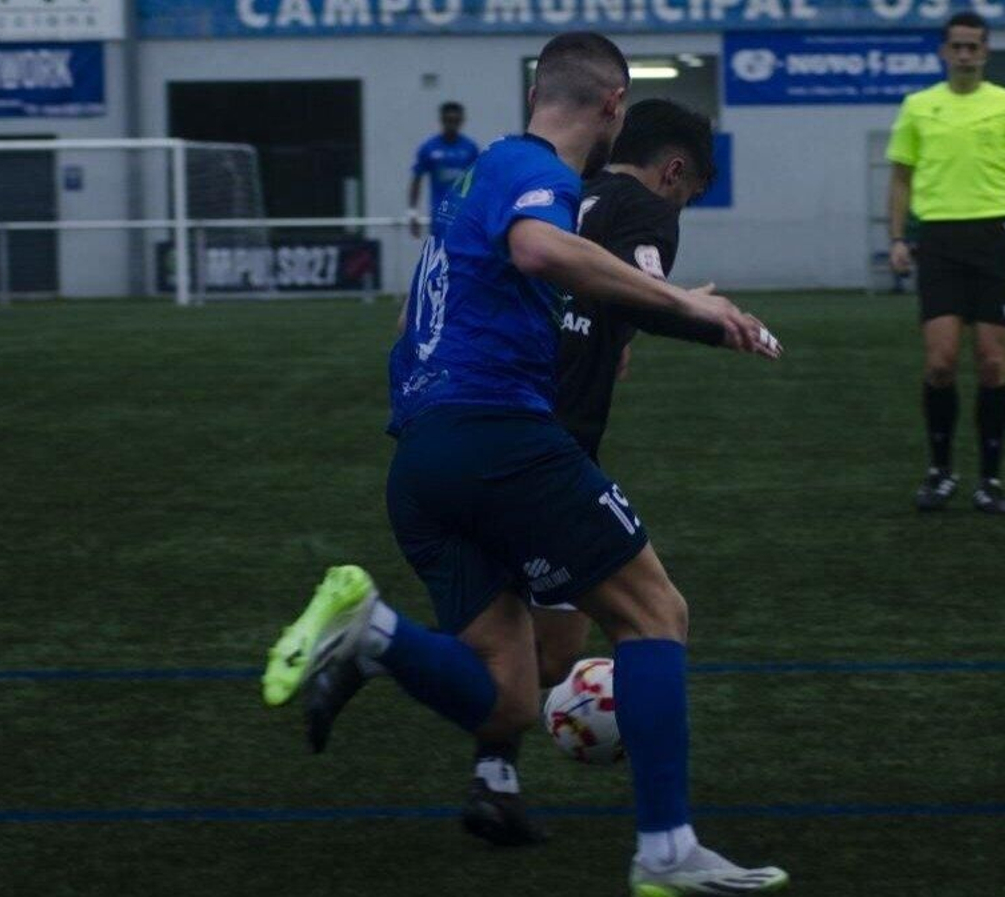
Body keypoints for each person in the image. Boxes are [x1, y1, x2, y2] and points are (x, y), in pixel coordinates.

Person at [264, 33, 789, 896]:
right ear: (614, 106)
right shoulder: (533, 167)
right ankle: (665, 850)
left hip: (423, 461)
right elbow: (544, 251)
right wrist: (686, 302)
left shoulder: (472, 185)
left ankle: (371, 631)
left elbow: (413, 321)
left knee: (509, 696)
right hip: (499, 438)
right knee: (656, 612)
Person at [886, 11, 1005, 516]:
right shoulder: (918, 106)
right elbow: (900, 179)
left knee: (993, 362)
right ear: (942, 51)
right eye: (955, 46)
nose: (963, 55)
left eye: (972, 47)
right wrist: (896, 237)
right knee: (939, 363)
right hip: (937, 240)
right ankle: (940, 472)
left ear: (986, 52)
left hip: (994, 238)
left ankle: (991, 480)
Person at [408, 102, 480, 239]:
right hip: (439, 216)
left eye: (455, 120)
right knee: (441, 255)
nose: (452, 124)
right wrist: (412, 213)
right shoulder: (429, 148)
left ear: (461, 121)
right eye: (448, 120)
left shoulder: (470, 148)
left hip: (465, 216)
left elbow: (479, 181)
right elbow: (416, 179)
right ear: (442, 120)